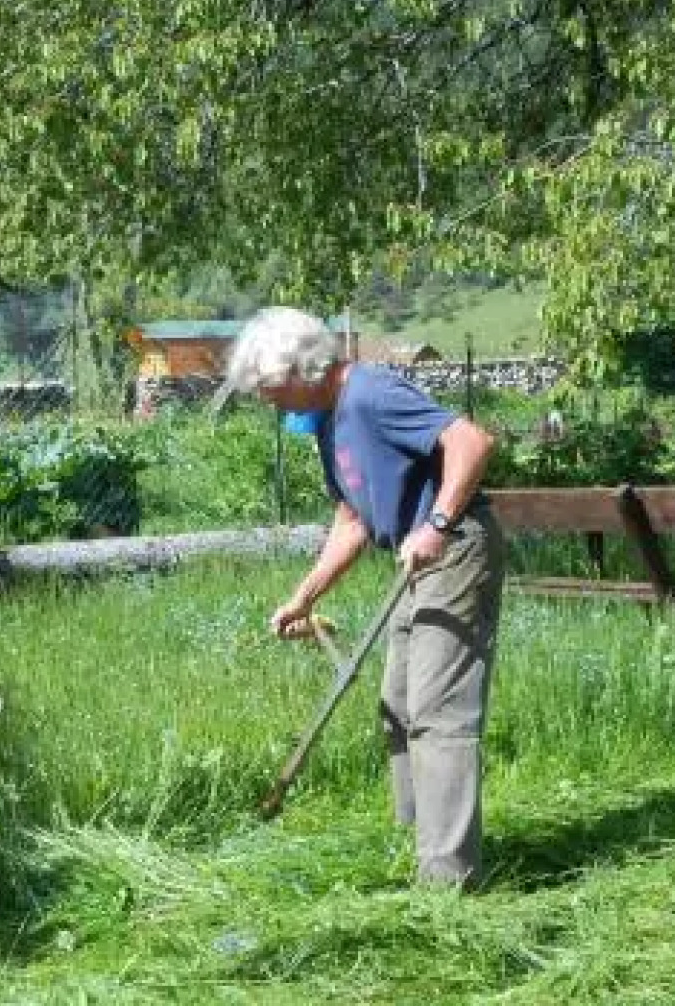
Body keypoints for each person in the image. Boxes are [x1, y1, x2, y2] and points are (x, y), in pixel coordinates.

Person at [215, 307, 505, 887]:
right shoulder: (327, 421)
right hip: (415, 557)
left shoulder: (370, 393)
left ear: (303, 366)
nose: (269, 401)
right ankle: (417, 841)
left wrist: (437, 524)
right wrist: (303, 597)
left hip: (453, 548)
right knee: (398, 707)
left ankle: (448, 879)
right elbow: (351, 521)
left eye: (271, 387)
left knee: (437, 713)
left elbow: (471, 440)